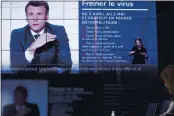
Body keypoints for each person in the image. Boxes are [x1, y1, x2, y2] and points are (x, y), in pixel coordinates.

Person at [10, 1, 72, 73]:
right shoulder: (17, 34)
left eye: (39, 14)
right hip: (26, 82)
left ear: (46, 17)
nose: (35, 19)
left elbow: (66, 66)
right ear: (26, 17)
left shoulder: (58, 31)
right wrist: (32, 48)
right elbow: (16, 68)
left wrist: (49, 72)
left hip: (53, 81)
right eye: (31, 14)